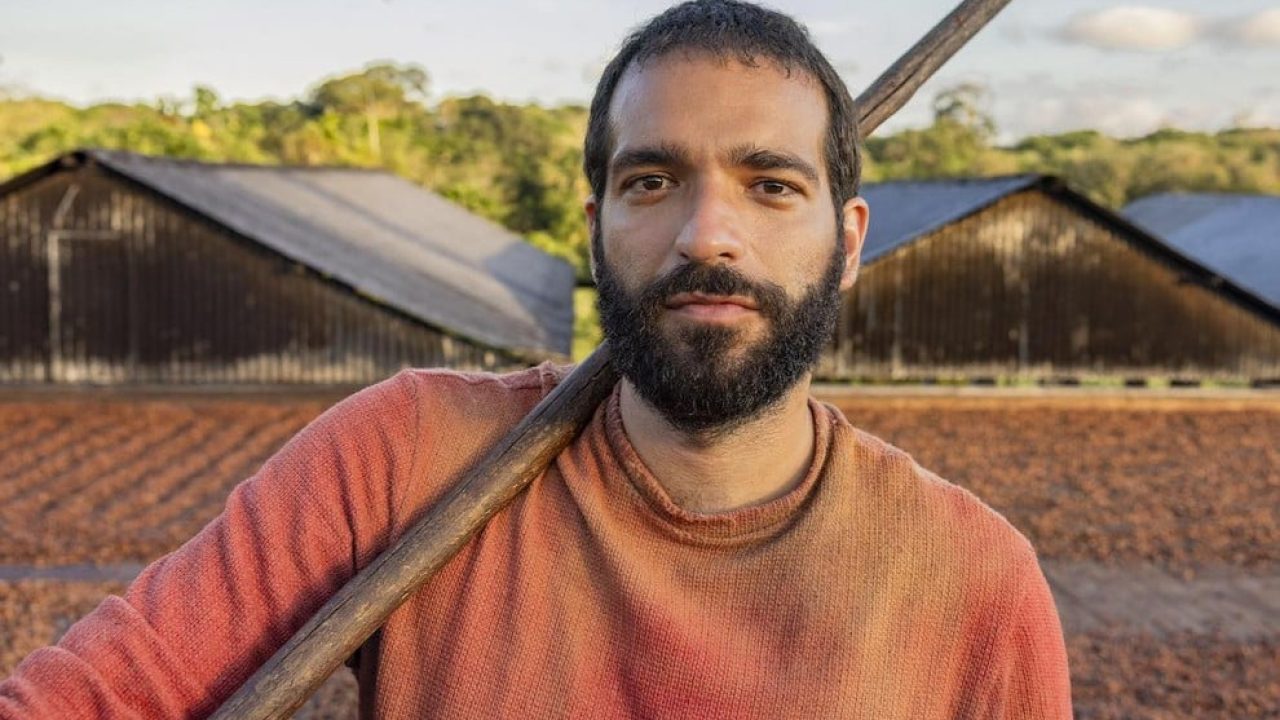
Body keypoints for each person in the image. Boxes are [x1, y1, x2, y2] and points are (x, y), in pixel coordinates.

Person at [0, 1, 1072, 717]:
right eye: (651, 182)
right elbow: (95, 695)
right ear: (592, 226)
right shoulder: (410, 456)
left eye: (770, 184)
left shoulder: (971, 581)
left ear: (846, 241)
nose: (707, 234)